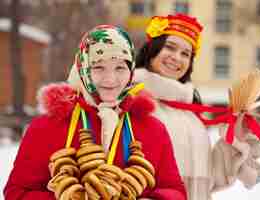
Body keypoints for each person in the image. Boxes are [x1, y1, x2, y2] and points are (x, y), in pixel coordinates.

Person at [4, 25, 186, 200]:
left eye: (120, 68)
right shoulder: (47, 127)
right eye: (98, 67)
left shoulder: (152, 129)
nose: (110, 79)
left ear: (131, 71)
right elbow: (16, 192)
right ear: (83, 68)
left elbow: (175, 191)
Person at [134, 13, 260, 200]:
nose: (176, 58)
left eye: (185, 54)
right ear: (152, 49)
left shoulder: (191, 115)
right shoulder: (132, 100)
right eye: (170, 47)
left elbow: (209, 178)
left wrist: (233, 140)